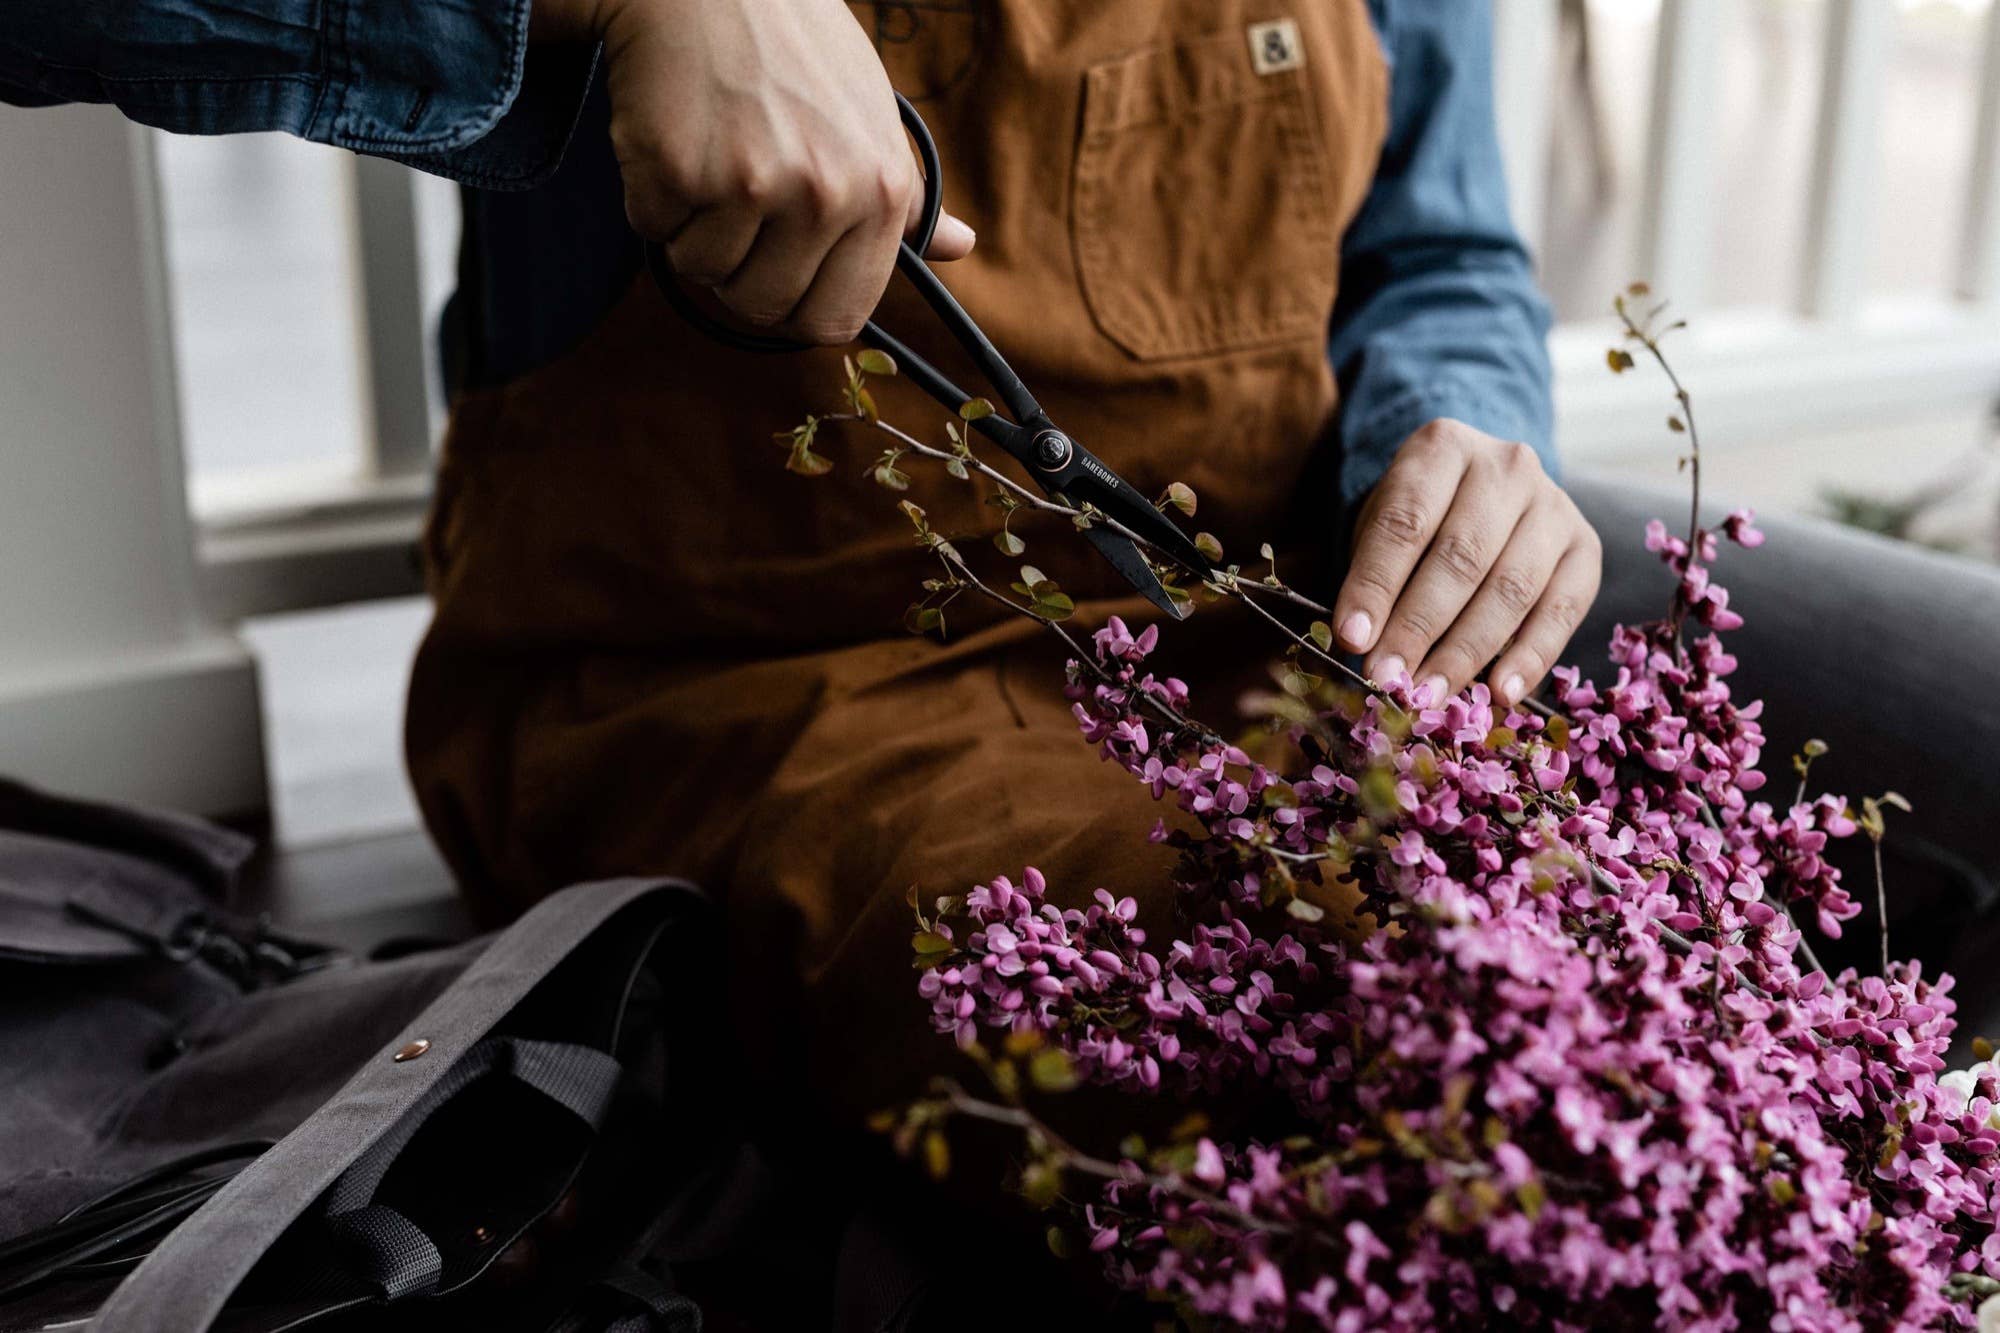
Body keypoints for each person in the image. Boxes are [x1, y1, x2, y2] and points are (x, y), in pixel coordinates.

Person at [2, 0, 1597, 1171]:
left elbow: (1439, 254)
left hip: (1280, 646)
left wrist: (1466, 433)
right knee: (1337, 1046)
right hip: (751, 685)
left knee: (1583, 975)